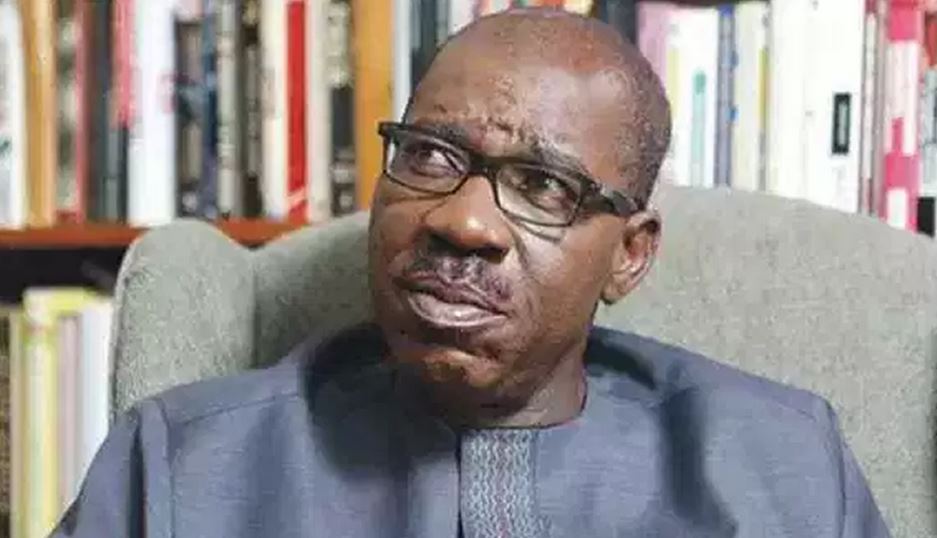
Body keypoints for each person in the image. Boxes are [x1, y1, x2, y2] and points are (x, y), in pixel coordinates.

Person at [52, 9, 891, 538]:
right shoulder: (182, 464)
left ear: (628, 255)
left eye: (544, 187)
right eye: (428, 155)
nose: (463, 221)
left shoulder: (781, 466)